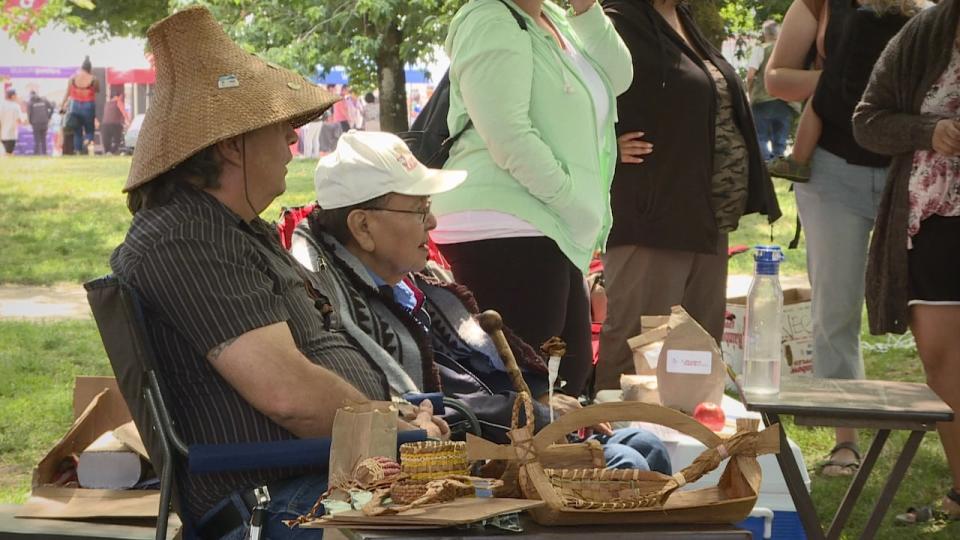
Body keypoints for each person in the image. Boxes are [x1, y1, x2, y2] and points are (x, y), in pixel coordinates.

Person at [110, 7, 447, 538]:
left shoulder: (231, 228)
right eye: (281, 127)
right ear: (229, 143)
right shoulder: (185, 238)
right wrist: (395, 427)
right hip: (275, 504)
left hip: (320, 482)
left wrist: (397, 422)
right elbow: (288, 395)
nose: (294, 140)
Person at [294, 129, 672, 471]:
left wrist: (540, 398)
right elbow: (415, 408)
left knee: (646, 446)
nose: (433, 223)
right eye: (419, 209)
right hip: (467, 457)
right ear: (362, 226)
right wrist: (536, 415)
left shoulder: (423, 287)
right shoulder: (341, 309)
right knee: (628, 463)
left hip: (508, 435)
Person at [432, 0, 633, 399]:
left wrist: (587, 8)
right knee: (529, 398)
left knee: (566, 385)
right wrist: (574, 204)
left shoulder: (555, 16)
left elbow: (620, 75)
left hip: (549, 221)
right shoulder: (489, 16)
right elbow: (508, 134)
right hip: (504, 224)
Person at [765, 0, 922, 477]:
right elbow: (776, 79)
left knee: (934, 309)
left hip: (909, 170)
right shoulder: (818, 3)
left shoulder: (929, 11)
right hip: (833, 173)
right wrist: (849, 83)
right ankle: (845, 442)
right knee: (835, 310)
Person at [593, 0, 780, 393]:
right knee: (638, 353)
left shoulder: (684, 19)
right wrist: (600, 143)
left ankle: (693, 449)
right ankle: (617, 449)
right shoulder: (613, 21)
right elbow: (570, 95)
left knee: (697, 353)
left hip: (705, 214)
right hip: (651, 215)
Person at [853, 0, 960, 521]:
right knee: (943, 363)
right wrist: (928, 131)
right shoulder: (927, 31)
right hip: (934, 222)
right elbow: (867, 121)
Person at [747, 20, 797, 162]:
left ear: (764, 34)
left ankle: (767, 165)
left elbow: (751, 75)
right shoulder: (788, 51)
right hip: (785, 100)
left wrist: (750, 94)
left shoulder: (760, 49)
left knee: (760, 136)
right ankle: (778, 163)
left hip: (762, 100)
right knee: (780, 138)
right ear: (779, 33)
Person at [59, 56, 99, 155]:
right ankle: (87, 141)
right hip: (88, 105)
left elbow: (67, 93)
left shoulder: (72, 79)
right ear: (90, 68)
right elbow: (97, 90)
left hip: (74, 106)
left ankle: (78, 151)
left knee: (77, 131)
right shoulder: (94, 79)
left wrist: (62, 106)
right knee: (89, 129)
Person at [101, 86, 129, 155]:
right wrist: (129, 122)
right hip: (115, 124)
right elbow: (124, 112)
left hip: (105, 124)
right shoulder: (118, 101)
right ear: (120, 96)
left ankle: (108, 152)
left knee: (106, 141)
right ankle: (113, 151)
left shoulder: (107, 103)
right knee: (118, 140)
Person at [27, 90, 54, 156]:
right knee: (43, 139)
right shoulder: (44, 100)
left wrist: (31, 122)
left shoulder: (30, 102)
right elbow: (52, 107)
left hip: (35, 123)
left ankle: (37, 154)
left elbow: (29, 114)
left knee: (37, 140)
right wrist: (48, 117)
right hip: (44, 122)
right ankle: (45, 153)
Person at [0, 88, 23, 156]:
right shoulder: (15, 106)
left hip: (2, 135)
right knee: (9, 154)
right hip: (11, 135)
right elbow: (19, 120)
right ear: (13, 96)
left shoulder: (1, 105)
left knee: (6, 153)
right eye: (16, 95)